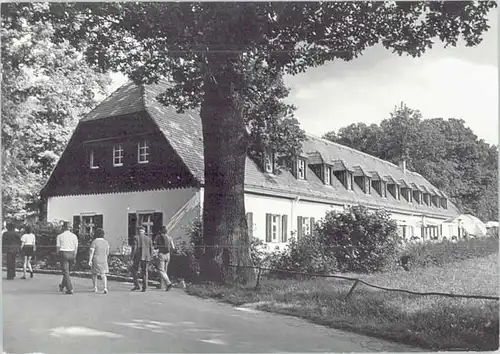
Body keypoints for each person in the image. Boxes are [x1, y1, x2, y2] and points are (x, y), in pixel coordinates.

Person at [56, 221, 78, 295]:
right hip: (72, 253)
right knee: (67, 272)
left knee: (66, 271)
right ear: (70, 228)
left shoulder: (60, 236)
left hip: (64, 253)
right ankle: (62, 285)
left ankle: (70, 288)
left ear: (63, 227)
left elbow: (58, 248)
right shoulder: (74, 236)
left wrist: (58, 255)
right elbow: (76, 248)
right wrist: (74, 256)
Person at [131, 226, 153, 292]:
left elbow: (134, 248)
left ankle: (137, 285)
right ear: (144, 231)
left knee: (134, 270)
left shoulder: (136, 237)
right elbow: (151, 248)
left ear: (138, 231)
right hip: (146, 257)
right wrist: (151, 256)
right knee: (145, 272)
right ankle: (145, 287)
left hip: (138, 256)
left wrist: (131, 257)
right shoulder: (148, 238)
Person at [88, 228, 110, 294]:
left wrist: (90, 260)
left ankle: (95, 287)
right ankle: (105, 288)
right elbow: (107, 252)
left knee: (94, 274)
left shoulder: (94, 242)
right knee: (103, 274)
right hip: (104, 259)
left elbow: (91, 251)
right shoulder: (106, 242)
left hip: (96, 259)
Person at [154, 225, 175, 291]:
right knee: (165, 271)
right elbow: (173, 247)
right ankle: (163, 286)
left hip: (161, 254)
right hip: (168, 255)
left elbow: (155, 246)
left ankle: (168, 283)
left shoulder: (158, 237)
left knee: (161, 271)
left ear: (160, 230)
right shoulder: (169, 237)